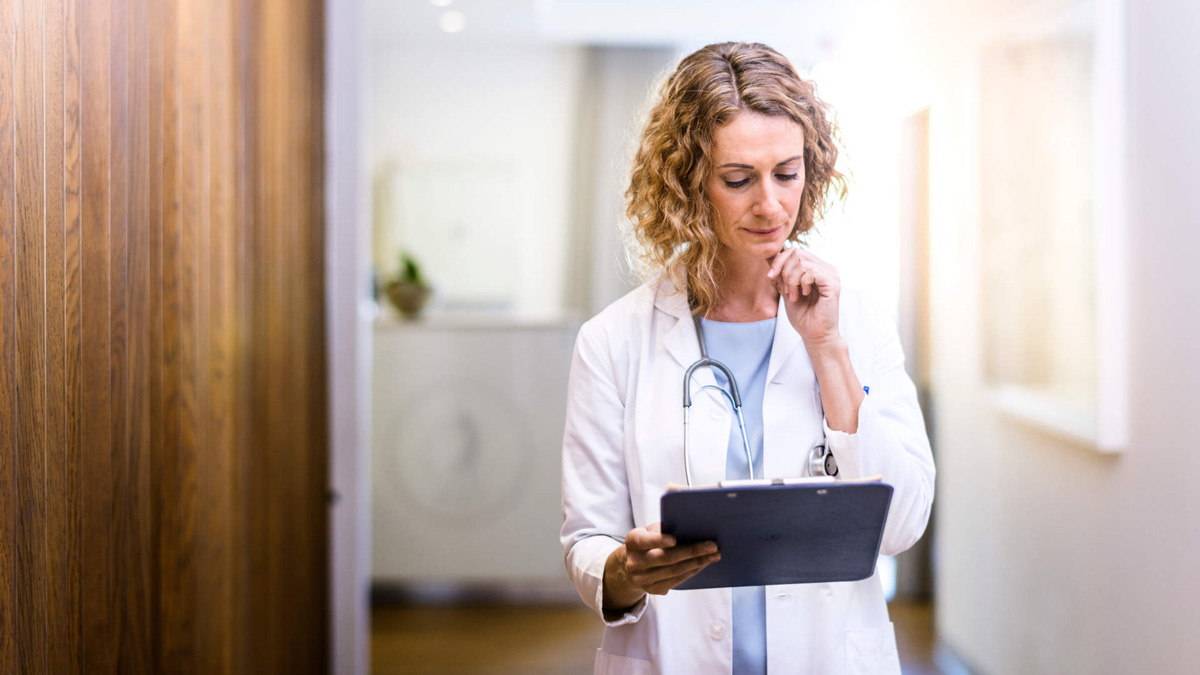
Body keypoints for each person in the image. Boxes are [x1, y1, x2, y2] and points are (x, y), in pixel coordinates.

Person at [560, 42, 935, 675]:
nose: (770, 205)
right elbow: (587, 543)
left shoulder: (855, 322)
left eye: (786, 174)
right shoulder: (614, 340)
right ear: (687, 184)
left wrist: (826, 347)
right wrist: (629, 570)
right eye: (738, 180)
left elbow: (900, 523)